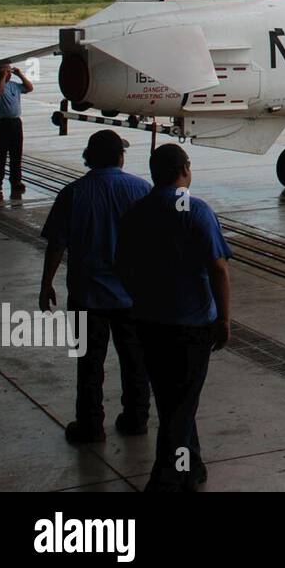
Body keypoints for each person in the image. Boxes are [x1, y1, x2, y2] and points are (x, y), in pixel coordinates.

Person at [117, 144, 232, 492]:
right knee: (181, 404)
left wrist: (140, 296)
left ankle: (191, 465)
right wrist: (224, 319)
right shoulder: (196, 210)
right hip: (191, 326)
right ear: (185, 169)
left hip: (149, 323)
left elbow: (121, 265)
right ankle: (165, 478)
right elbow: (219, 269)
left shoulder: (136, 211)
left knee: (173, 399)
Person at [39, 130, 153, 443]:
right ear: (120, 156)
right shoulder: (141, 190)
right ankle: (136, 418)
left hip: (87, 295)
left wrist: (46, 283)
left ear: (89, 157)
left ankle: (90, 425)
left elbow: (57, 243)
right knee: (135, 361)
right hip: (131, 296)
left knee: (88, 364)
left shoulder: (73, 193)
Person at [0, 60, 34, 200]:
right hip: (0, 124)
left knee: (16, 155)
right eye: (5, 71)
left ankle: (16, 181)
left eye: (9, 71)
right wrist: (3, 77)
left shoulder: (14, 86)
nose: (9, 74)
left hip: (15, 123)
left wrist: (20, 74)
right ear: (0, 72)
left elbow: (30, 88)